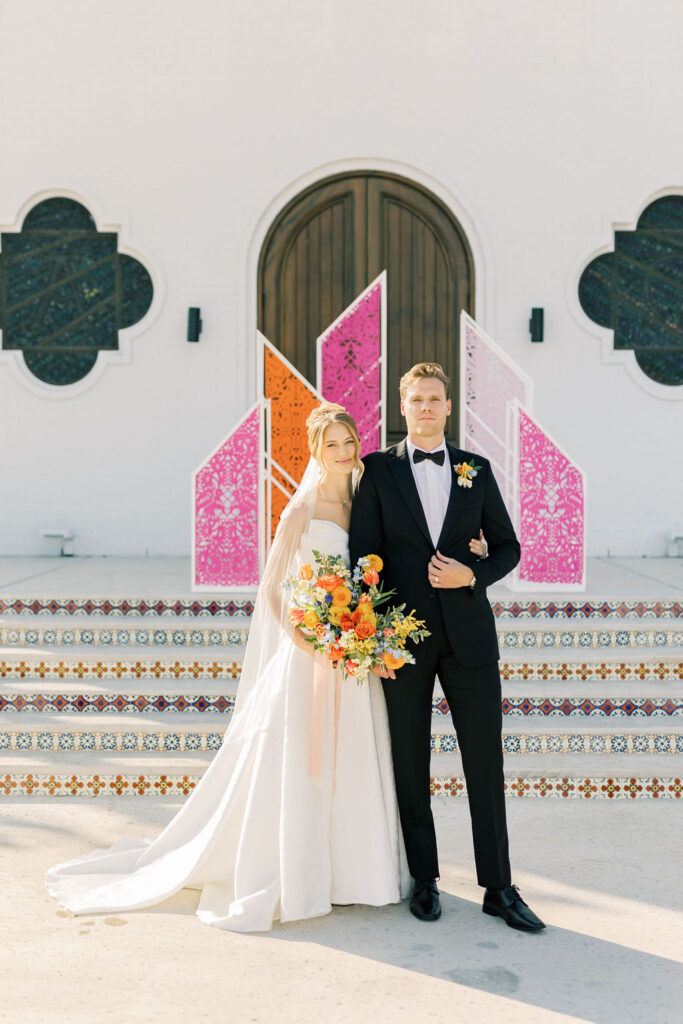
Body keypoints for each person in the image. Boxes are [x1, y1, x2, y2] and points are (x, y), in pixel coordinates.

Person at [46, 403, 411, 931]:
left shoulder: (366, 501)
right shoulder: (301, 509)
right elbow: (271, 586)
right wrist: (309, 640)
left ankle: (354, 876)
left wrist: (360, 632)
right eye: (331, 444)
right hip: (311, 651)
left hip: (351, 657)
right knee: (301, 765)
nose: (342, 452)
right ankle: (298, 873)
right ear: (315, 450)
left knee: (353, 758)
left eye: (348, 441)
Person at [349, 363, 545, 932]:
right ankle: (425, 879)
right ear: (403, 406)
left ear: (448, 407)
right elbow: (363, 556)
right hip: (402, 643)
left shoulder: (474, 469)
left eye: (436, 398)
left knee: (485, 761)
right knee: (411, 762)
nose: (427, 407)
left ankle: (499, 887)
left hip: (470, 641)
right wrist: (375, 630)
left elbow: (508, 547)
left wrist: (473, 575)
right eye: (417, 399)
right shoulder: (376, 471)